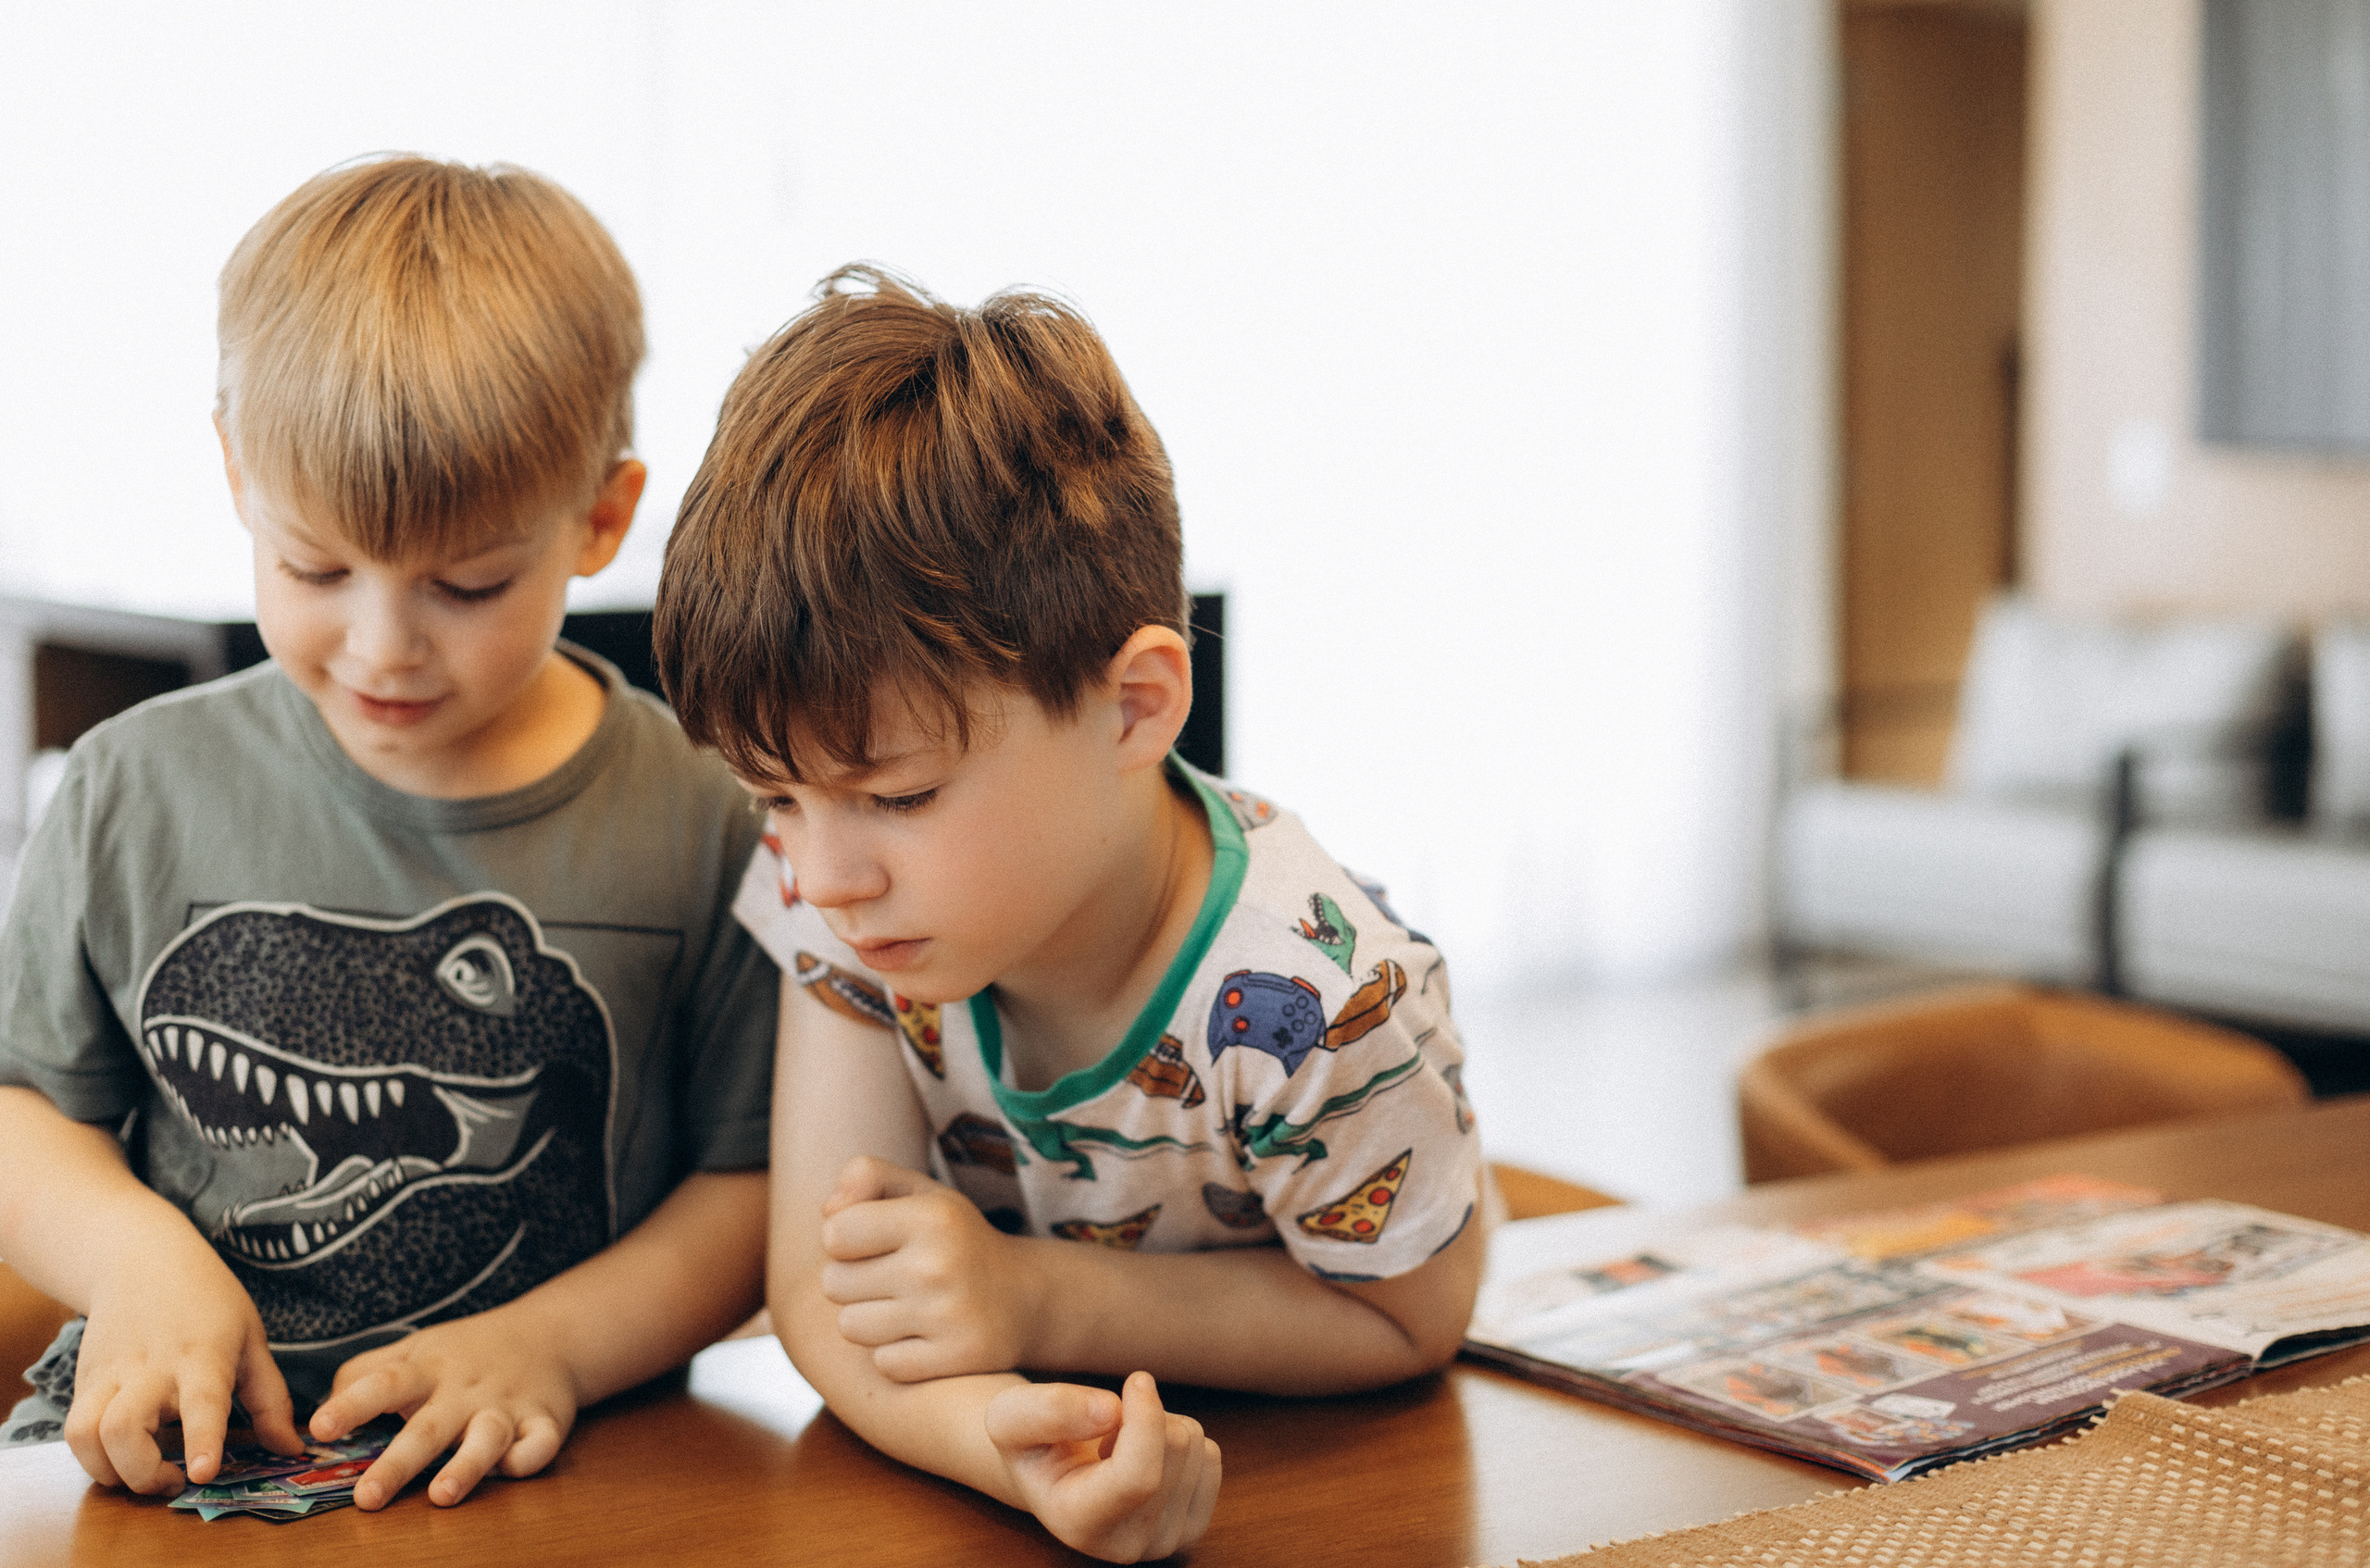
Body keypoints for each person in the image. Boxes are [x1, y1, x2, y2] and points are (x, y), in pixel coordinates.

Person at [653, 266, 1484, 1562]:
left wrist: (1038, 1300)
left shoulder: (1310, 999)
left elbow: (1411, 1318)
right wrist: (1014, 1451)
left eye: (903, 794)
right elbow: (825, 1294)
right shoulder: (842, 895)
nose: (820, 874)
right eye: (775, 798)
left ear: (1137, 710)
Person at [0, 156, 777, 1514]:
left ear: (601, 517)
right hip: (176, 1477)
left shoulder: (704, 816)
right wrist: (133, 1256)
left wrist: (554, 1344)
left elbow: (752, 1182)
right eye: (315, 569)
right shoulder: (132, 786)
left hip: (586, 1479)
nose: (383, 648)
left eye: (468, 584)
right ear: (239, 470)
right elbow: (18, 1110)